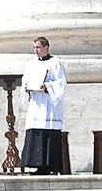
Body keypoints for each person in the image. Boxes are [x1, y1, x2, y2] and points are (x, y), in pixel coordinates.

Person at [20, 36, 67, 175]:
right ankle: (37, 165)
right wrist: (27, 88)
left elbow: (60, 83)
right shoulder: (31, 64)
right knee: (36, 132)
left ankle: (51, 166)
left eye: (39, 47)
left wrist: (46, 87)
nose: (36, 50)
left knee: (49, 133)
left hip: (49, 104)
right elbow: (25, 81)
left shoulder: (55, 63)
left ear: (46, 48)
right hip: (36, 104)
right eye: (34, 47)